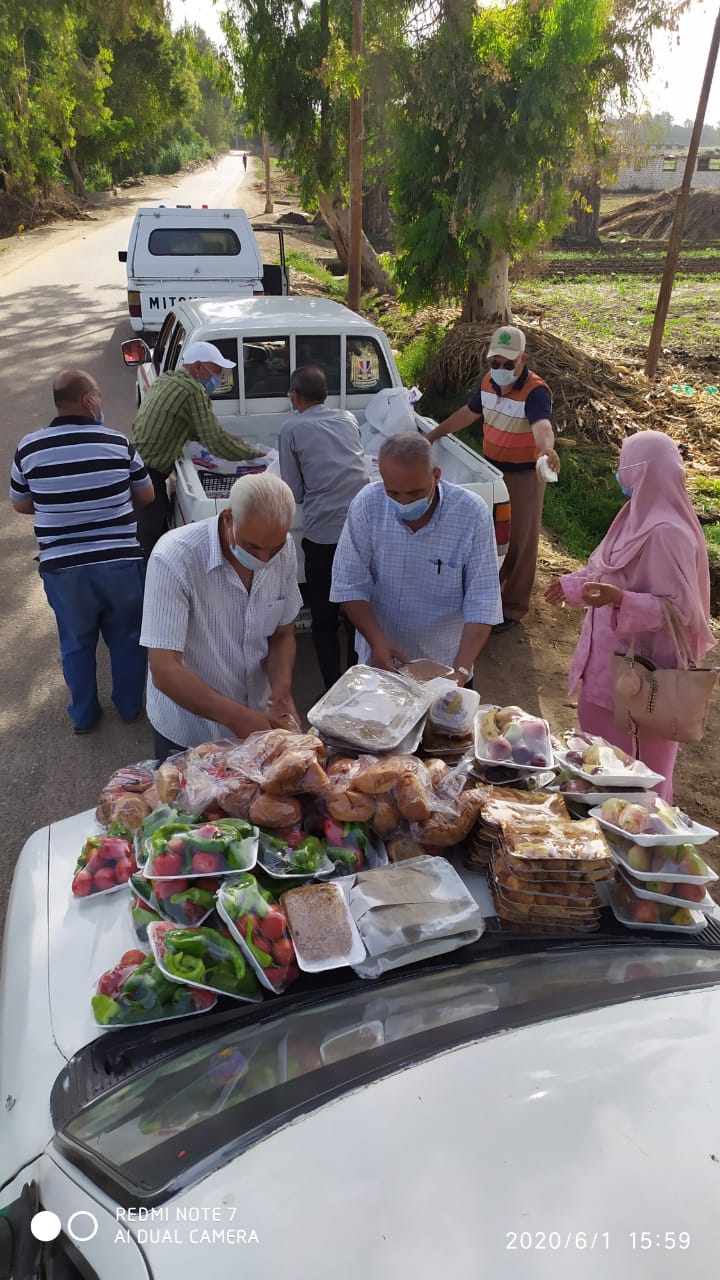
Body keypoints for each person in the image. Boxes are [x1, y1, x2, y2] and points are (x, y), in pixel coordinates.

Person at [544, 431, 714, 802]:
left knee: (639, 780)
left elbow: (682, 611)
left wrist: (622, 600)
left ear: (644, 470)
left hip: (644, 683)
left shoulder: (669, 534)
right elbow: (608, 571)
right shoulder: (633, 516)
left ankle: (643, 833)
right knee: (598, 765)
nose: (619, 473)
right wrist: (574, 585)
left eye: (625, 464)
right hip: (605, 671)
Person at [10, 370, 154, 733]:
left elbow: (21, 504)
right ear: (89, 400)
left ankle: (85, 715)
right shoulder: (118, 443)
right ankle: (129, 707)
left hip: (64, 569)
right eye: (99, 395)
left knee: (75, 642)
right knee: (127, 637)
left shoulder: (29, 448)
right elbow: (147, 495)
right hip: (120, 564)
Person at [140, 472, 303, 762]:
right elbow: (164, 669)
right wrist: (236, 716)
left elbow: (282, 633)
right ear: (228, 518)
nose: (265, 559)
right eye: (253, 547)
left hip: (257, 726)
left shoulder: (284, 547)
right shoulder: (174, 558)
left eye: (274, 548)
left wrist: (280, 691)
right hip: (189, 733)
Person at [330, 433, 502, 685]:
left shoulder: (472, 514)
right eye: (393, 493)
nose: (404, 502)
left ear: (436, 476)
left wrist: (461, 672)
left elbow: (483, 600)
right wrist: (377, 641)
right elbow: (349, 583)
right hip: (380, 663)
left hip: (445, 667)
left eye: (415, 493)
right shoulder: (368, 503)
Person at [427, 324, 559, 633]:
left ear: (523, 360)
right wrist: (434, 434)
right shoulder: (488, 382)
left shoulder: (535, 391)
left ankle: (513, 607)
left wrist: (546, 449)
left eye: (508, 364)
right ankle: (491, 593)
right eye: (494, 362)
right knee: (491, 536)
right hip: (492, 470)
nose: (500, 369)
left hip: (523, 475)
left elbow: (542, 425)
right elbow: (469, 412)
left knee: (520, 541)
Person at [279, 364, 369, 689]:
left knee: (324, 618)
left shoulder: (291, 430)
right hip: (361, 534)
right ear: (326, 395)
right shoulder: (348, 419)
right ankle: (358, 682)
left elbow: (294, 492)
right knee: (359, 614)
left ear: (294, 396)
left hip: (323, 538)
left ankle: (333, 687)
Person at [131, 341, 263, 559]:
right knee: (152, 547)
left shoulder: (167, 379)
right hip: (150, 477)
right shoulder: (192, 390)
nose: (219, 377)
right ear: (199, 366)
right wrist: (254, 454)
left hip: (137, 468)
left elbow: (198, 430)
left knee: (151, 538)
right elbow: (215, 442)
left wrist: (233, 441)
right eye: (217, 370)